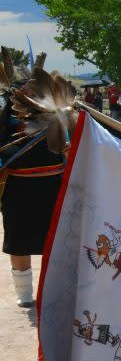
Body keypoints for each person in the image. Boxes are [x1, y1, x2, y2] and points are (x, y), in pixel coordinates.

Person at [0, 57, 66, 307]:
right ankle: (24, 293)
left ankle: (54, 291)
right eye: (23, 88)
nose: (28, 91)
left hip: (53, 186)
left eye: (33, 87)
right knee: (18, 241)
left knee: (57, 240)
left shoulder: (58, 113)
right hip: (18, 188)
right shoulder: (6, 118)